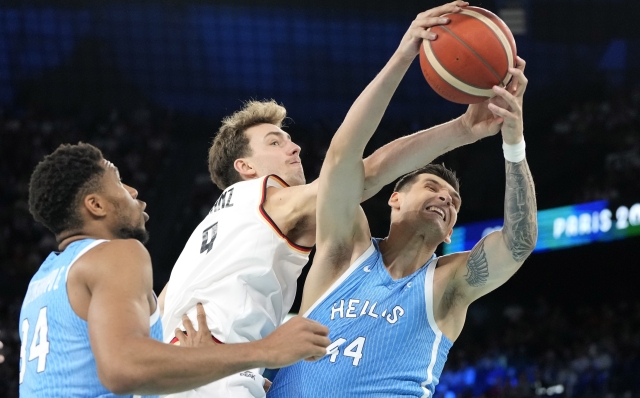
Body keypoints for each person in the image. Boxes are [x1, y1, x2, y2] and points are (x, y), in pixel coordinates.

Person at [159, 1, 509, 396]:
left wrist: (183, 365)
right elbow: (364, 170)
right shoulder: (266, 197)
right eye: (275, 142)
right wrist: (462, 127)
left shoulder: (203, 237)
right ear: (245, 167)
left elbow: (153, 317)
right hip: (220, 376)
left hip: (177, 369)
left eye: (291, 141)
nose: (294, 150)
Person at [267, 13, 536, 398]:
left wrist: (513, 142)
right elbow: (342, 160)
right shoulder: (345, 249)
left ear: (449, 230)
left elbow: (519, 243)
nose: (445, 198)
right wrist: (404, 55)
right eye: (431, 187)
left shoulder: (449, 284)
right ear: (394, 198)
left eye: (454, 201)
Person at [19, 143, 330, 397]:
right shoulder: (116, 253)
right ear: (95, 206)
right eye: (118, 181)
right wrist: (266, 350)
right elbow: (124, 370)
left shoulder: (42, 282)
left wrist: (203, 360)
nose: (133, 191)